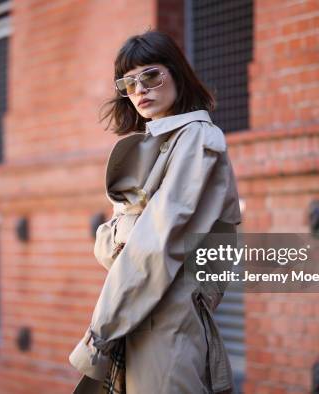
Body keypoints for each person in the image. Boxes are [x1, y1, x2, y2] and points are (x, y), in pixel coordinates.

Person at [69, 30, 242, 394]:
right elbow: (108, 250)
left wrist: (98, 336)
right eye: (128, 83)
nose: (140, 90)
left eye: (151, 76)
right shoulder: (152, 149)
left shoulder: (197, 138)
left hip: (169, 325)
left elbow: (153, 246)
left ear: (177, 73)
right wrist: (129, 229)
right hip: (139, 319)